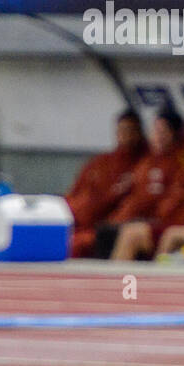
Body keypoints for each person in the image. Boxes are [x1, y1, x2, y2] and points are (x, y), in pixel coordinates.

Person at [109, 116, 184, 260]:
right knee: (129, 232)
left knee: (170, 236)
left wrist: (179, 211)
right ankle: (117, 281)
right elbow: (167, 206)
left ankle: (156, 280)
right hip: (172, 223)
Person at [91, 106, 184, 258]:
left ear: (174, 135)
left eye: (164, 132)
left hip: (156, 221)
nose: (158, 136)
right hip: (134, 218)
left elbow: (159, 201)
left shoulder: (179, 162)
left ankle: (120, 280)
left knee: (117, 233)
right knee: (104, 230)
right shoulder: (147, 159)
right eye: (156, 131)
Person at [66, 109, 146, 258]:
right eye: (121, 130)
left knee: (81, 243)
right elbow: (76, 197)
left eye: (130, 130)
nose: (125, 135)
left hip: (109, 226)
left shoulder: (144, 164)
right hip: (83, 223)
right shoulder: (100, 163)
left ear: (139, 132)